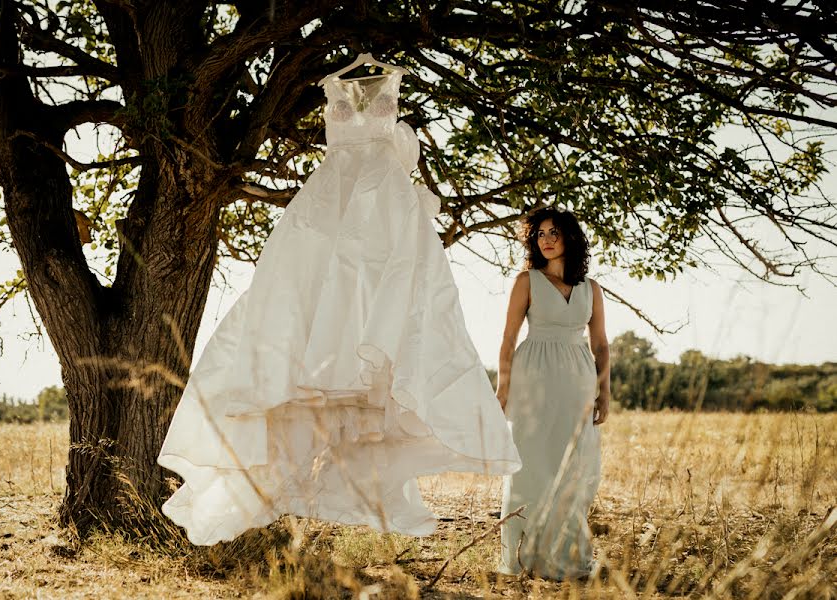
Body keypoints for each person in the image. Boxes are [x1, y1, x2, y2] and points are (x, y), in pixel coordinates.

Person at [156, 57, 520, 546]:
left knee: (374, 295)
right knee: (312, 295)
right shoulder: (333, 85)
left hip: (379, 202)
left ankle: (354, 403)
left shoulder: (389, 81)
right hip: (332, 198)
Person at [495, 206, 610, 579]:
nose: (546, 240)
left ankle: (567, 556)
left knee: (573, 468)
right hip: (533, 381)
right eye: (540, 233)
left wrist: (604, 391)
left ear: (570, 238)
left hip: (577, 384)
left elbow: (602, 345)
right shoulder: (526, 281)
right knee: (532, 464)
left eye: (554, 233)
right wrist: (503, 389)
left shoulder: (591, 289)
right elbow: (509, 338)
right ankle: (525, 556)